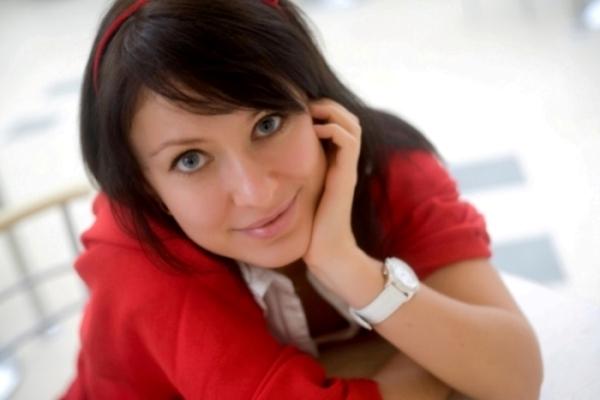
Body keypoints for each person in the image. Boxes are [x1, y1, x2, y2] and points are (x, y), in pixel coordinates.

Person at [61, 0, 543, 399]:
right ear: (145, 186)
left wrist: (345, 264)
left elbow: (515, 376)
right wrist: (433, 363)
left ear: (316, 105)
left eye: (267, 124)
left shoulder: (387, 169)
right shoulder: (138, 257)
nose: (256, 192)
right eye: (190, 160)